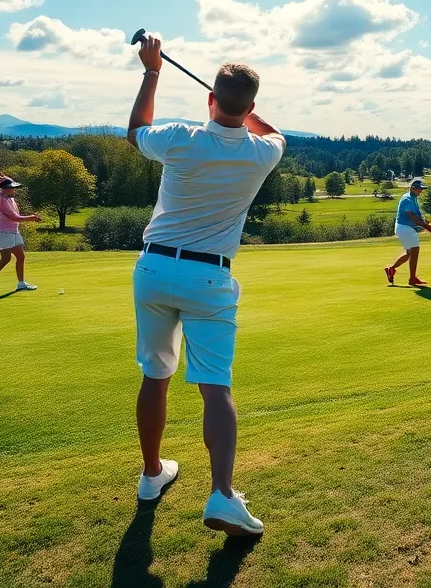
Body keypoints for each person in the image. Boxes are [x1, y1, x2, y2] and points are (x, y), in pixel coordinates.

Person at [126, 35, 284, 537]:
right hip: (210, 275)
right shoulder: (264, 154)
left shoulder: (180, 137)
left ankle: (152, 475)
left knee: (156, 374)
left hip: (153, 269)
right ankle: (221, 495)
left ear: (209, 100)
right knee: (215, 387)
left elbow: (135, 131)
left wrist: (152, 71)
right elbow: (270, 130)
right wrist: (238, 111)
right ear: (251, 105)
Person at [0, 174, 41, 295]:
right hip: (4, 232)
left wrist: (5, 178)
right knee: (6, 258)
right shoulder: (1, 200)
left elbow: (15, 217)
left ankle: (21, 283)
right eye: (11, 188)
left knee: (21, 256)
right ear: (4, 189)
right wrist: (31, 218)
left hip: (14, 231)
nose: (14, 190)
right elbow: (15, 217)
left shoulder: (9, 198)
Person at [384, 177, 431, 287]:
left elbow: (417, 215)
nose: (421, 191)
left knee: (409, 253)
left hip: (405, 228)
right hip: (404, 228)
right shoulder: (408, 199)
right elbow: (412, 217)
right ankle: (412, 279)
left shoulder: (413, 197)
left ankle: (391, 269)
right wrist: (426, 226)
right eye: (419, 189)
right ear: (413, 188)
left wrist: (424, 220)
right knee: (415, 250)